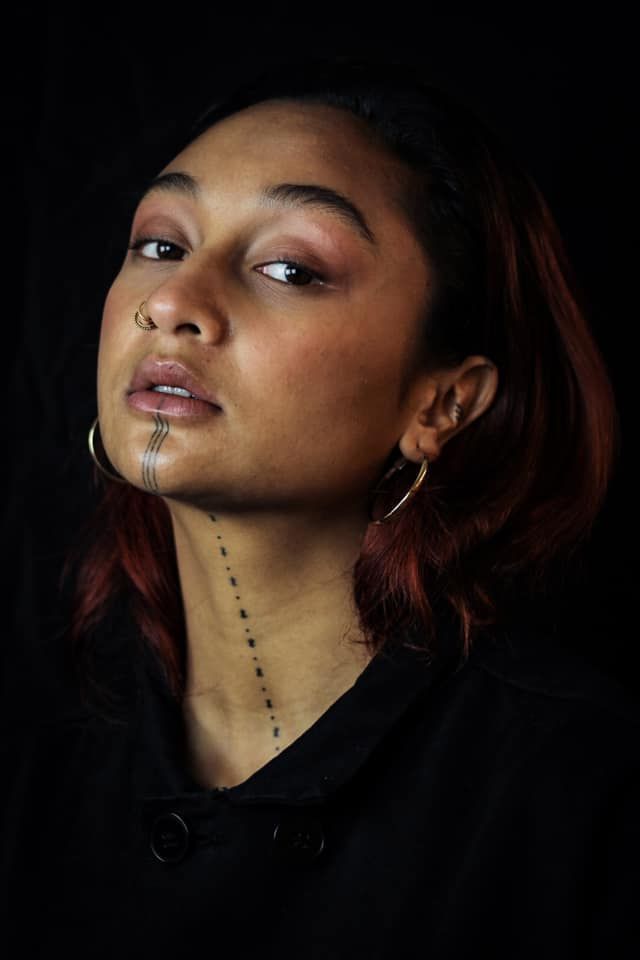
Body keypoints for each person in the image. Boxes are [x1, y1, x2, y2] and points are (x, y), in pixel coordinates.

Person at [2, 53, 637, 959]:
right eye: (160, 244)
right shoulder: (33, 766)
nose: (175, 302)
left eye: (291, 268)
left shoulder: (579, 792)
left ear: (441, 405)